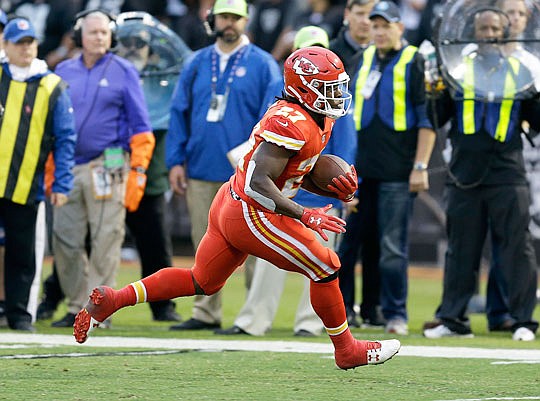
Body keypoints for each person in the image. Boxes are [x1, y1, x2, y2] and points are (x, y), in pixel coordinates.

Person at [73, 45, 401, 370]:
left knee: (202, 281)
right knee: (325, 264)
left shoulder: (313, 118)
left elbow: (293, 171)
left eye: (337, 87)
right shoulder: (292, 123)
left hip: (232, 201)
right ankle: (347, 350)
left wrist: (330, 186)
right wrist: (305, 214)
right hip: (252, 209)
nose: (335, 95)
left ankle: (114, 299)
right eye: (327, 88)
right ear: (303, 88)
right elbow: (258, 183)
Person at [215, 26, 356, 337]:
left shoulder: (330, 102)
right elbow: (265, 146)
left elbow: (344, 143)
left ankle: (311, 323)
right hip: (281, 189)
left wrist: (343, 181)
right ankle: (254, 320)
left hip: (317, 188)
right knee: (276, 262)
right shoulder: (287, 105)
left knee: (322, 260)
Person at [423, 7, 540, 341]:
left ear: (505, 33)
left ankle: (522, 321)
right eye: (483, 29)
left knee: (517, 249)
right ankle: (453, 319)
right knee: (461, 248)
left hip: (508, 172)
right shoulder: (458, 71)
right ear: (472, 33)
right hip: (464, 173)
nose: (489, 34)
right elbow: (439, 117)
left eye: (494, 29)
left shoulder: (523, 72)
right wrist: (433, 91)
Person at [166, 0, 283, 331]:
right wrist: (175, 160)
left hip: (247, 176)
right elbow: (179, 111)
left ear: (246, 20)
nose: (228, 23)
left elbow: (272, 118)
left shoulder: (263, 64)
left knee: (257, 243)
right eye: (223, 17)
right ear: (212, 19)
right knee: (203, 241)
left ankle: (253, 315)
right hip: (201, 167)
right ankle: (205, 311)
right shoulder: (197, 62)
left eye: (235, 17)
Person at [51, 10, 155, 328]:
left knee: (106, 236)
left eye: (105, 33)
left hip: (109, 163)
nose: (100, 37)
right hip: (68, 164)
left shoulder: (124, 71)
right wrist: (50, 168)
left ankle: (98, 309)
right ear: (80, 34)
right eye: (94, 32)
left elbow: (141, 126)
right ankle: (76, 304)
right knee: (64, 239)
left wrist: (137, 171)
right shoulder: (62, 70)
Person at [350, 1, 436, 335]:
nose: (380, 31)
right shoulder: (361, 60)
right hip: (359, 171)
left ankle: (395, 313)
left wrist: (420, 165)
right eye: (375, 25)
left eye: (386, 25)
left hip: (398, 171)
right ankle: (350, 310)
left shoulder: (415, 62)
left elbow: (427, 119)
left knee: (391, 247)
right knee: (352, 244)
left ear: (401, 27)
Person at [0, 18, 76, 332]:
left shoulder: (51, 85)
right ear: (6, 46)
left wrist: (62, 182)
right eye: (19, 42)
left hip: (26, 184)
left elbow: (66, 137)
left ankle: (19, 314)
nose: (26, 48)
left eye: (30, 41)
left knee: (23, 254)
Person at [116, 14, 189, 322]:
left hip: (151, 176)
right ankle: (61, 300)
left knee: (155, 245)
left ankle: (163, 306)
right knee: (91, 241)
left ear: (152, 49)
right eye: (127, 43)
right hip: (112, 171)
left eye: (140, 44)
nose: (133, 48)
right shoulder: (112, 76)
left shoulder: (165, 83)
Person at [330, 0, 384, 329]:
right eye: (362, 14)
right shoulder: (332, 53)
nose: (366, 23)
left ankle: (374, 307)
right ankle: (343, 308)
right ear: (348, 14)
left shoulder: (391, 55)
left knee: (378, 240)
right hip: (340, 162)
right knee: (345, 243)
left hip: (379, 161)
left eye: (373, 17)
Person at [330, 0, 377, 76]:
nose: (366, 21)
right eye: (360, 14)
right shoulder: (330, 54)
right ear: (347, 14)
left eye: (371, 14)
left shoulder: (385, 54)